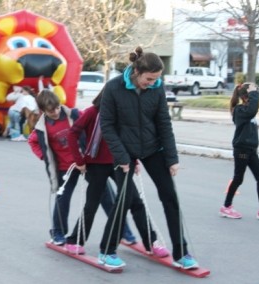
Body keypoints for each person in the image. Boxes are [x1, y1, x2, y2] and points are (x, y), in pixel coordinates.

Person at [98, 47, 198, 269]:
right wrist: (122, 157)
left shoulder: (157, 89)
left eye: (157, 79)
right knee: (123, 200)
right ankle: (107, 251)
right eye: (149, 78)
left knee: (170, 198)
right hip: (124, 150)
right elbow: (107, 125)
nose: (152, 83)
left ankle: (181, 253)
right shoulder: (114, 87)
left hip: (153, 149)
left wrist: (172, 158)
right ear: (136, 71)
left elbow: (164, 123)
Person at [64, 91, 169, 260]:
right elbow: (72, 133)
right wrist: (79, 160)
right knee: (92, 203)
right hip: (96, 164)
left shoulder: (122, 115)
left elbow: (129, 140)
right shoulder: (92, 112)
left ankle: (151, 241)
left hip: (120, 163)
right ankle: (75, 240)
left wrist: (134, 161)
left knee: (135, 202)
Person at [28, 90, 116, 246]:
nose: (55, 112)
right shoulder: (42, 127)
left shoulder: (74, 114)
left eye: (57, 108)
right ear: (43, 111)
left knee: (105, 194)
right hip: (64, 167)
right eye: (51, 111)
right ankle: (58, 232)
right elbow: (32, 141)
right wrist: (44, 155)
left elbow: (92, 126)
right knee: (63, 199)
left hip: (85, 162)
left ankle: (122, 229)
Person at [219, 83, 259, 221]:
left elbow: (253, 109)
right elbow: (253, 109)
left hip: (251, 149)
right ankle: (226, 207)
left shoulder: (246, 109)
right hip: (241, 149)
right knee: (238, 178)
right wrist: (254, 93)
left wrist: (253, 92)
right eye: (252, 95)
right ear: (245, 97)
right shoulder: (239, 110)